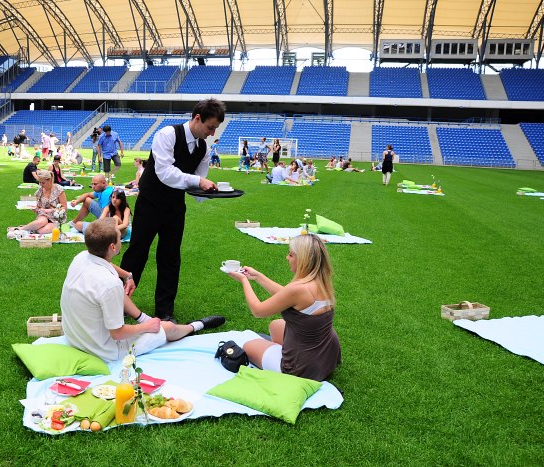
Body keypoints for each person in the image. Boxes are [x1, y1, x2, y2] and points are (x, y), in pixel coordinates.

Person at [61, 218, 225, 362]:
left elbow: (108, 266)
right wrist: (146, 327)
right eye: (120, 237)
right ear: (112, 247)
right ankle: (195, 326)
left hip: (75, 337)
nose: (122, 238)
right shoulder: (109, 284)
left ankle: (144, 318)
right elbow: (117, 333)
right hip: (102, 351)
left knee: (119, 294)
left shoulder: (81, 257)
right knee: (167, 327)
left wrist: (127, 275)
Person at [120, 98, 224, 321]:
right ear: (198, 118)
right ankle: (118, 302)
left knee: (170, 258)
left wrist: (212, 191)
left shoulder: (203, 147)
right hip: (150, 202)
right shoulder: (167, 134)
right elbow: (165, 172)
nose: (212, 133)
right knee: (137, 252)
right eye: (210, 127)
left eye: (215, 128)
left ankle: (165, 311)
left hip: (175, 207)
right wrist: (198, 181)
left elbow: (199, 181)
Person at [224, 234, 341, 381]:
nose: (287, 258)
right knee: (275, 325)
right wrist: (257, 276)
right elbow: (286, 296)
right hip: (325, 358)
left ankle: (280, 360)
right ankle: (278, 352)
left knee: (248, 345)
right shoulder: (321, 282)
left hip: (301, 370)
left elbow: (258, 311)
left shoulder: (298, 289)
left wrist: (243, 281)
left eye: (291, 254)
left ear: (303, 260)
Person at [8, 169, 68, 236]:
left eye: (43, 183)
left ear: (50, 180)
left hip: (56, 217)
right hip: (44, 215)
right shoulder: (40, 190)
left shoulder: (59, 189)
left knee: (41, 231)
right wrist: (35, 208)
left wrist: (50, 210)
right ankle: (20, 229)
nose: (41, 185)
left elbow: (64, 207)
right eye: (40, 182)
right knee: (41, 222)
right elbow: (38, 206)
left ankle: (27, 227)